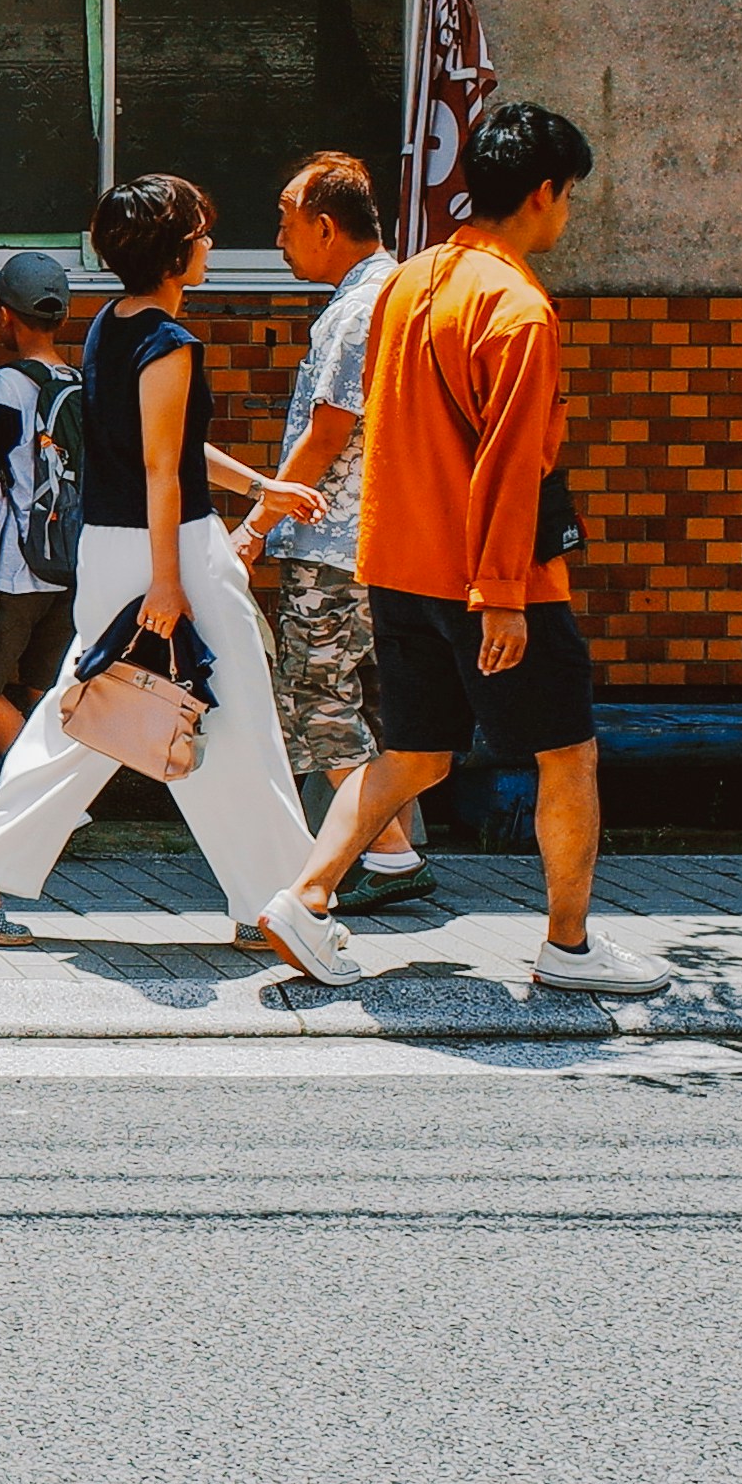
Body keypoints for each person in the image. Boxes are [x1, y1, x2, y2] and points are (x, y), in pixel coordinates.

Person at [266, 102, 664, 996]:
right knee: (567, 753)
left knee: (413, 751)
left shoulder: (405, 283)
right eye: (567, 196)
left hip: (394, 564)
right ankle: (567, 948)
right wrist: (502, 595)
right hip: (491, 577)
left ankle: (306, 893)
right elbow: (510, 461)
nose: (566, 212)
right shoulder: (518, 308)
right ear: (542, 192)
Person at [0, 174, 340, 980]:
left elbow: (167, 449)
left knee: (98, 714)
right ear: (176, 249)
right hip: (169, 548)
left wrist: (262, 488)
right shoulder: (168, 343)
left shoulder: (112, 329)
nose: (211, 243)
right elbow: (161, 467)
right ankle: (277, 901)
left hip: (118, 548)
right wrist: (167, 582)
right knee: (231, 718)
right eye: (203, 231)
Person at [240, 149, 428, 912]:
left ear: (324, 226)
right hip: (391, 538)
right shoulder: (408, 291)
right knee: (369, 703)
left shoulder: (357, 308)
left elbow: (326, 431)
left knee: (316, 699)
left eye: (286, 226)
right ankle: (381, 849)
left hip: (333, 539)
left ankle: (387, 854)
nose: (279, 241)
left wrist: (256, 522)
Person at [0, 251, 80, 767]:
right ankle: (61, 788)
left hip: (13, 569)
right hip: (67, 562)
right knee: (42, 689)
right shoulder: (76, 381)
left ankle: (39, 788)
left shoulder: (7, 384)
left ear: (3, 314)